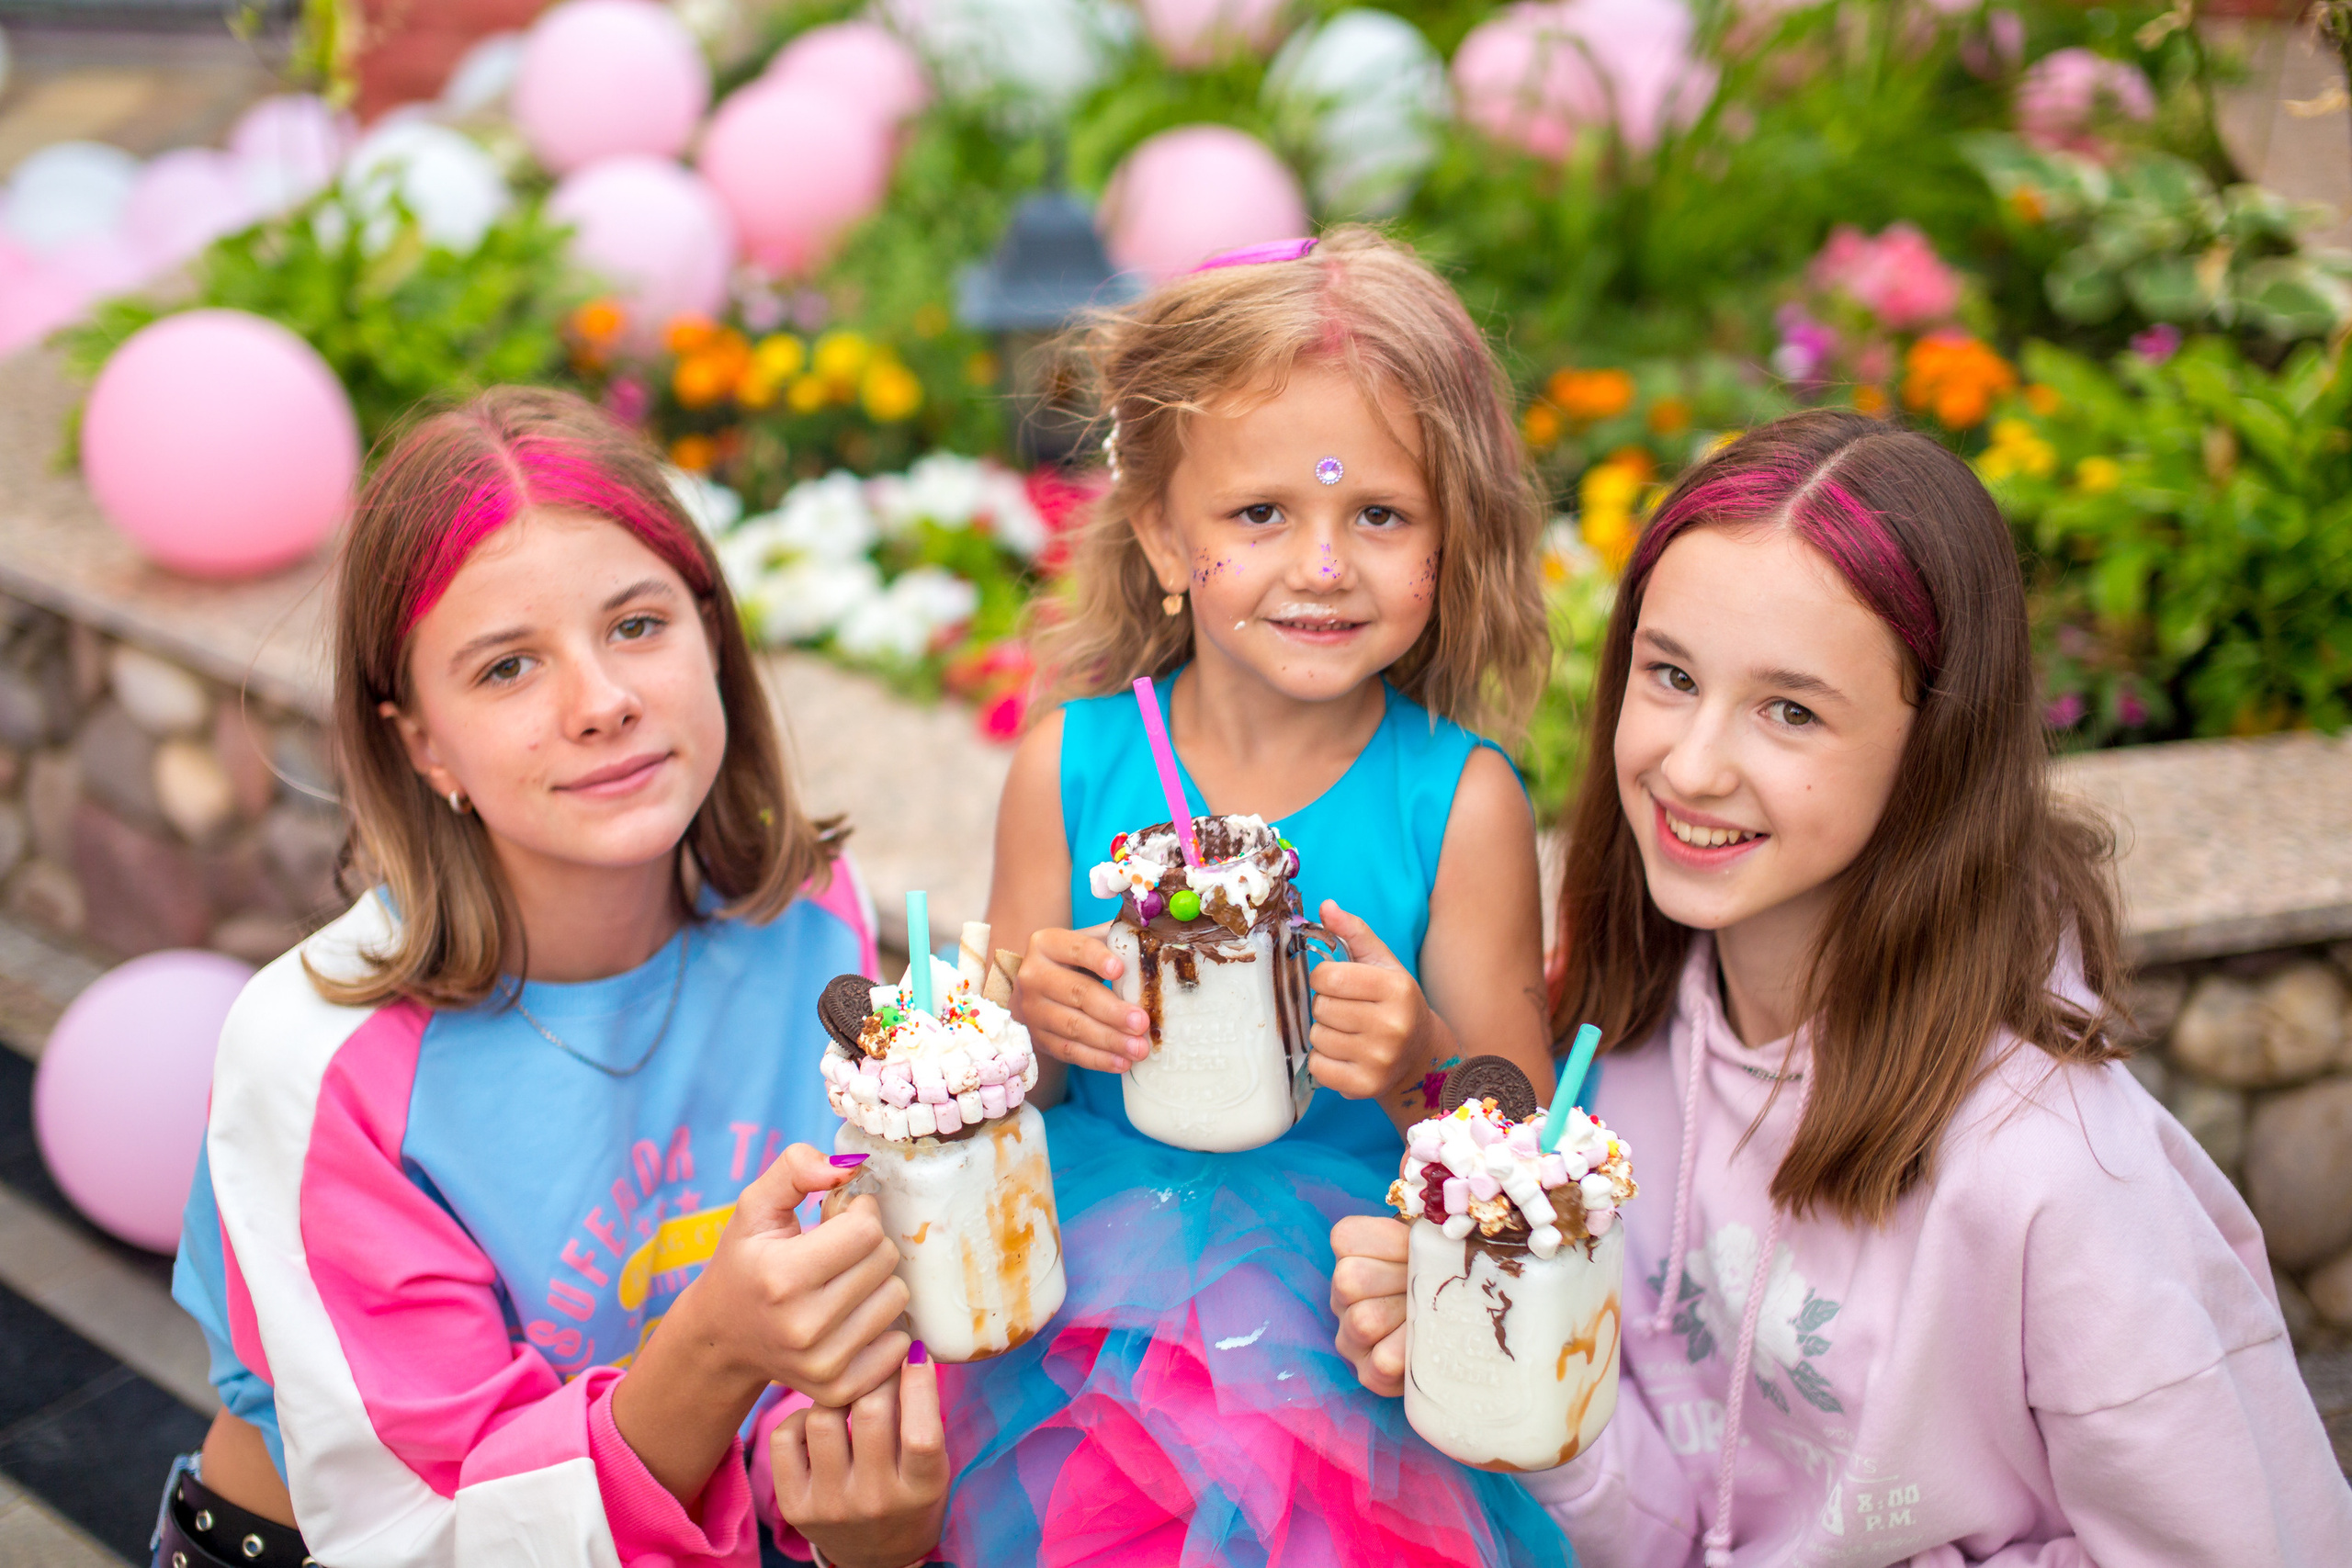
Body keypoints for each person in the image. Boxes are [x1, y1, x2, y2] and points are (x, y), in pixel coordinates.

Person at [1329, 409, 2352, 1564]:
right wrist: (1520, 1385)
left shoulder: (2059, 1175)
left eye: (1790, 710)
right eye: (1669, 676)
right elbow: (1670, 1521)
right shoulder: (1616, 1065)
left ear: (1935, 754)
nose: (1692, 763)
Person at [160, 388, 945, 1568]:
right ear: (423, 743)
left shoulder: (806, 917)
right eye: (508, 668)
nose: (603, 703)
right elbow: (423, 1538)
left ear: (711, 635)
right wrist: (714, 1350)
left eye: (637, 626)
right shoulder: (311, 1059)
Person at [959, 228, 1568, 1565]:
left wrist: (1419, 1067)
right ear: (1167, 540)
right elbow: (1001, 1088)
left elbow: (1525, 1145)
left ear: (1447, 539)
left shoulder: (1457, 806)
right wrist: (1035, 1023)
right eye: (1260, 514)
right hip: (1085, 1360)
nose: (1323, 563)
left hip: (1350, 1357)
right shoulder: (1071, 765)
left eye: (1380, 513)